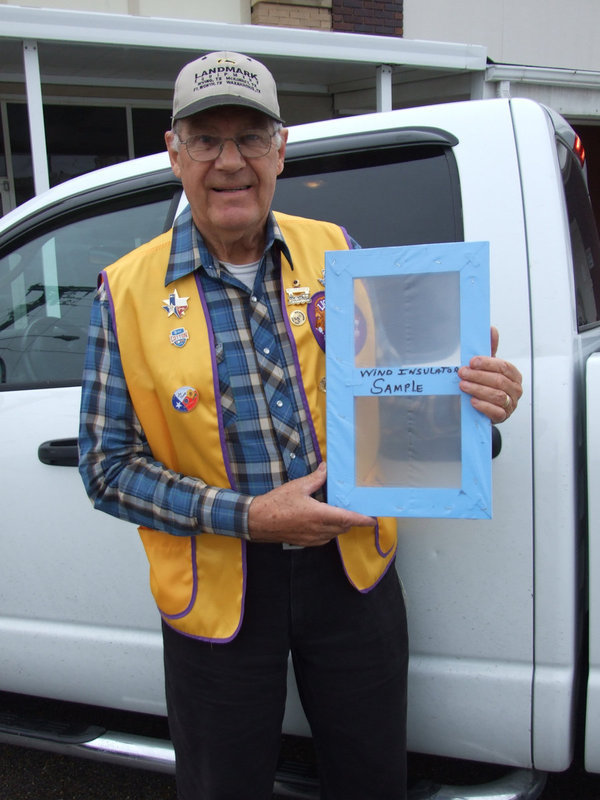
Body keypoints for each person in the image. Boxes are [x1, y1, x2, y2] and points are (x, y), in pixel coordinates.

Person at [78, 51, 523, 800]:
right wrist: (251, 516)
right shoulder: (123, 292)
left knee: (372, 778)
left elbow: (404, 394)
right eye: (208, 139)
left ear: (280, 150)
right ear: (174, 153)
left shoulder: (339, 251)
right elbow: (105, 465)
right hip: (219, 584)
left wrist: (478, 403)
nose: (231, 162)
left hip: (352, 571)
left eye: (251, 137)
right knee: (224, 786)